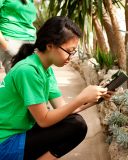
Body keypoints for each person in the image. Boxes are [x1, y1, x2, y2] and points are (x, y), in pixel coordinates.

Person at [0, 16, 112, 160]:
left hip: (20, 133)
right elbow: (44, 120)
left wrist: (96, 98)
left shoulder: (45, 69)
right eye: (69, 51)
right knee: (76, 126)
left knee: (74, 123)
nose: (71, 56)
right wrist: (81, 97)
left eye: (74, 52)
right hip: (5, 142)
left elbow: (65, 109)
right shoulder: (28, 71)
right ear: (50, 45)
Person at [0, 0, 36, 73]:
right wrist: (6, 46)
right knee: (18, 80)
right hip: (12, 40)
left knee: (32, 79)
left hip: (31, 42)